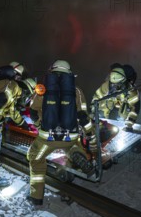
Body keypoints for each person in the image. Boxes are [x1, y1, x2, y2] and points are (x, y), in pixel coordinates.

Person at [26, 60, 98, 205]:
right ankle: (76, 153)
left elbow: (32, 111)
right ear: (69, 74)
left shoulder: (43, 89)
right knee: (71, 146)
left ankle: (36, 196)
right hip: (70, 136)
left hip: (47, 137)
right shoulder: (76, 91)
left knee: (35, 158)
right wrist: (91, 138)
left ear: (52, 71)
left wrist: (39, 125)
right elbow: (83, 116)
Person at [91, 63, 140, 141]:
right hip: (112, 102)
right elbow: (96, 98)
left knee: (123, 114)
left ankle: (122, 122)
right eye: (112, 84)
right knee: (101, 109)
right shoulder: (107, 85)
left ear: (123, 81)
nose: (113, 87)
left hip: (123, 104)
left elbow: (134, 109)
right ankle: (102, 126)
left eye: (116, 85)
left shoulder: (131, 91)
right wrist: (93, 112)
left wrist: (129, 124)